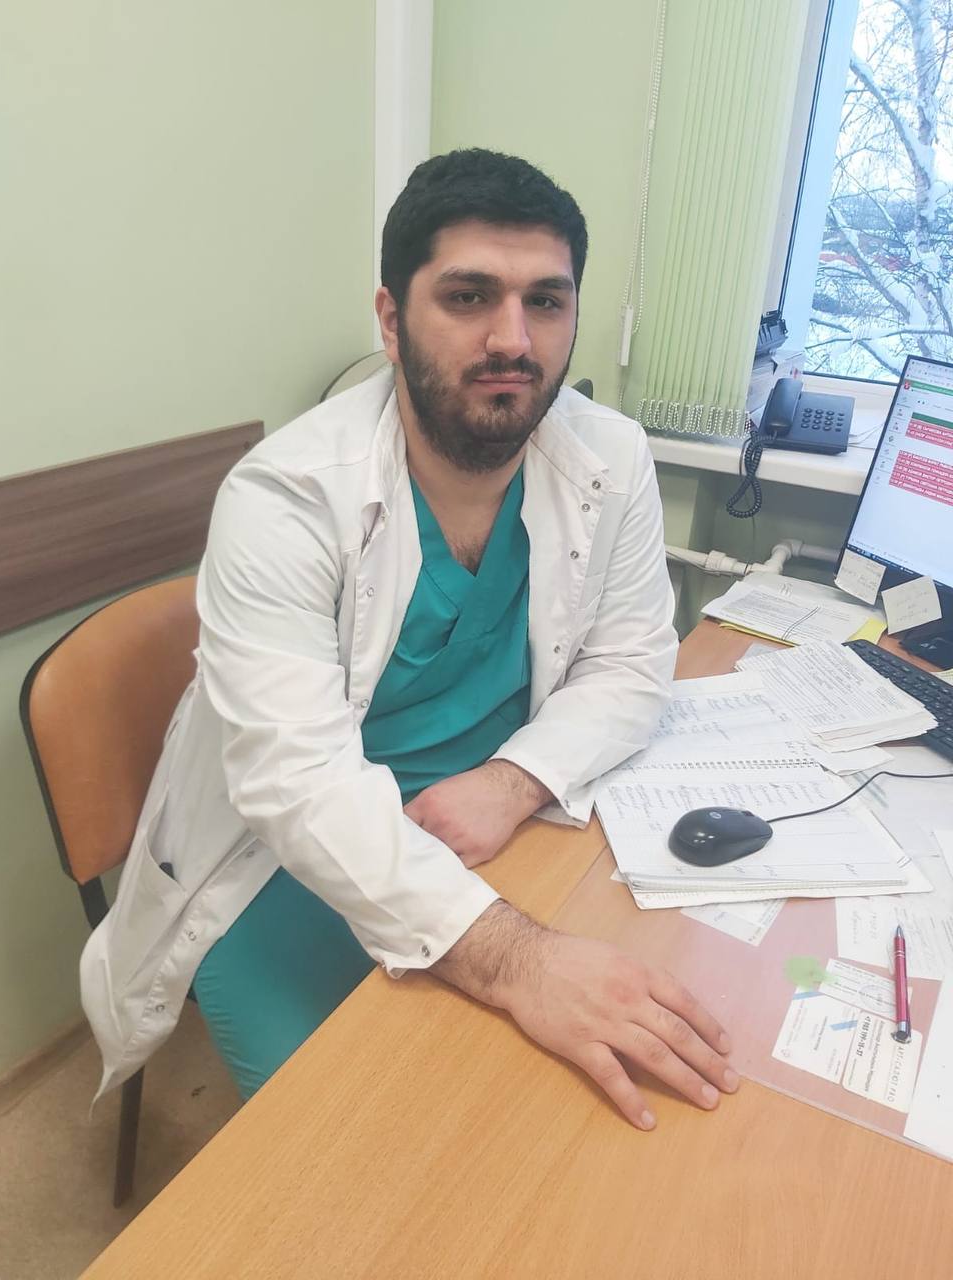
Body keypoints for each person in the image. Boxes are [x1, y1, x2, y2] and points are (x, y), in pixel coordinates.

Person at [80, 148, 737, 1130]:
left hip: (500, 812)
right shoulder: (287, 497)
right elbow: (298, 786)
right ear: (391, 320)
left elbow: (632, 658)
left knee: (575, 1109)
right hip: (288, 860)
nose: (513, 339)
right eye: (469, 296)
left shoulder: (612, 455)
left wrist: (510, 782)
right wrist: (521, 961)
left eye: (546, 301)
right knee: (361, 1141)